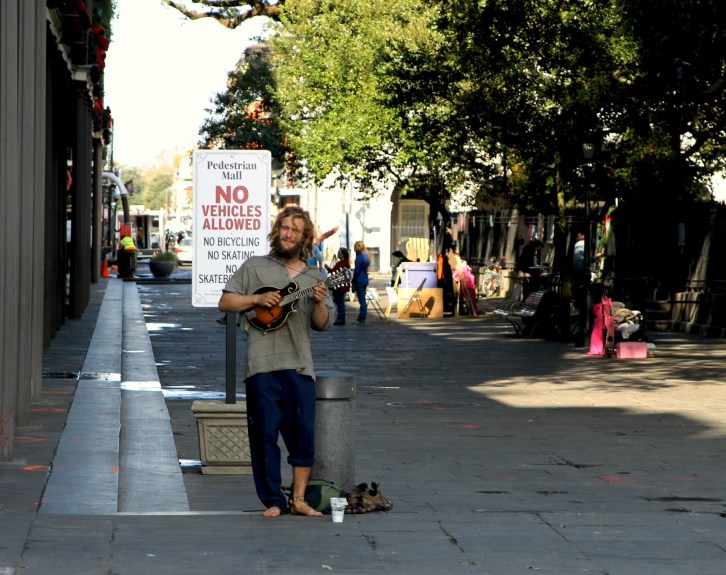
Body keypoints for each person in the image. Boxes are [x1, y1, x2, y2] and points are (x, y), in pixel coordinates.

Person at [218, 205, 334, 518]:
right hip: (260, 366)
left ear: (305, 236)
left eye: (295, 230)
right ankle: (273, 500)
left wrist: (320, 302)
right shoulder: (255, 267)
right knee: (264, 436)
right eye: (284, 228)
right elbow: (226, 301)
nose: (288, 234)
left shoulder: (314, 276)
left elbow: (322, 323)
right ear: (276, 231)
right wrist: (256, 299)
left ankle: (298, 499)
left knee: (302, 435)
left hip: (299, 366)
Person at [325, 247, 351, 325]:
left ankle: (340, 319)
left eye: (339, 252)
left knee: (340, 303)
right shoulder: (345, 263)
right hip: (341, 286)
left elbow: (334, 272)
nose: (337, 253)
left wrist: (328, 268)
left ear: (342, 254)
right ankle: (340, 318)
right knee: (340, 302)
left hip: (339, 286)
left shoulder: (341, 263)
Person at [352, 240, 370, 325]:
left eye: (355, 246)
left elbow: (357, 270)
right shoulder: (365, 255)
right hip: (364, 279)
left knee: (362, 301)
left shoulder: (360, 257)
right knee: (362, 300)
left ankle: (361, 318)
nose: (354, 248)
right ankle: (361, 317)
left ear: (359, 246)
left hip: (359, 280)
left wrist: (353, 280)